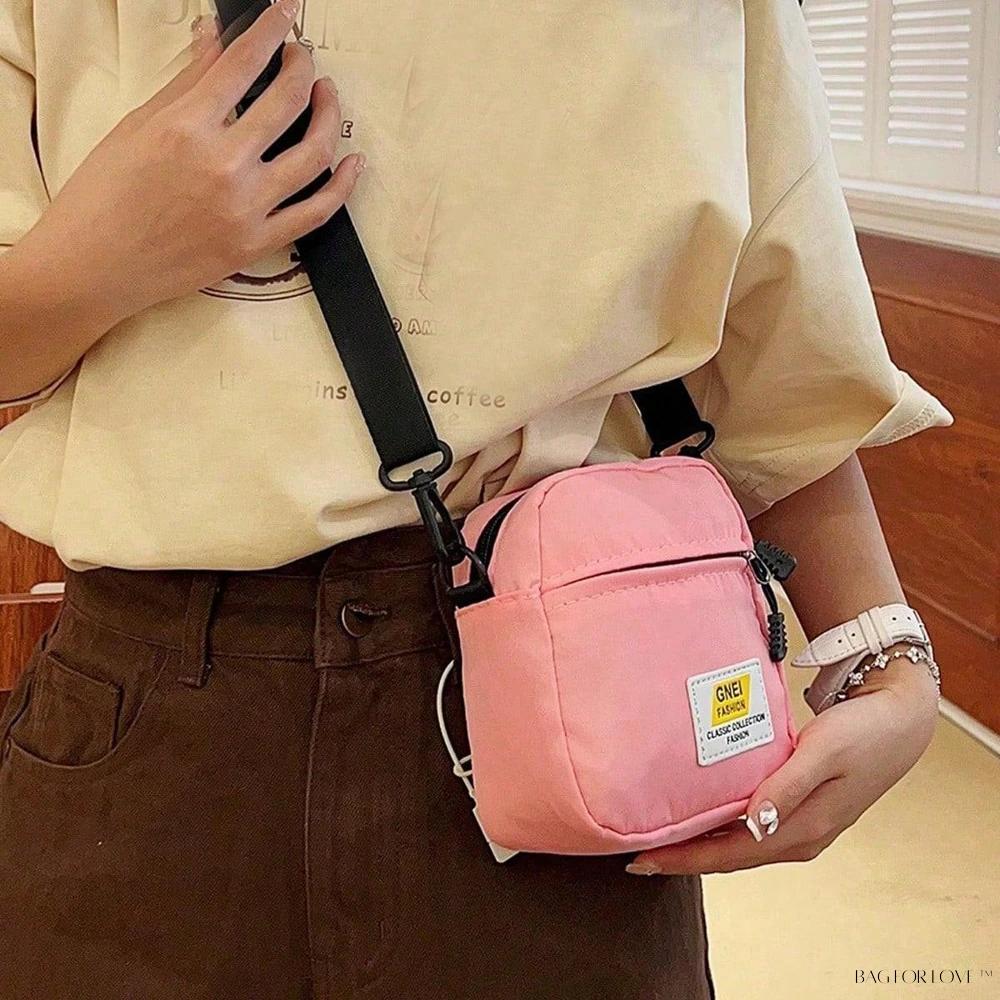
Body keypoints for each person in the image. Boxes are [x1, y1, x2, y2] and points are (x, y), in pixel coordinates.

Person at [0, 1, 953, 997]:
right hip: (153, 724)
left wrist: (885, 656)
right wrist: (98, 257)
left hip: (572, 695)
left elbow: (771, 361)